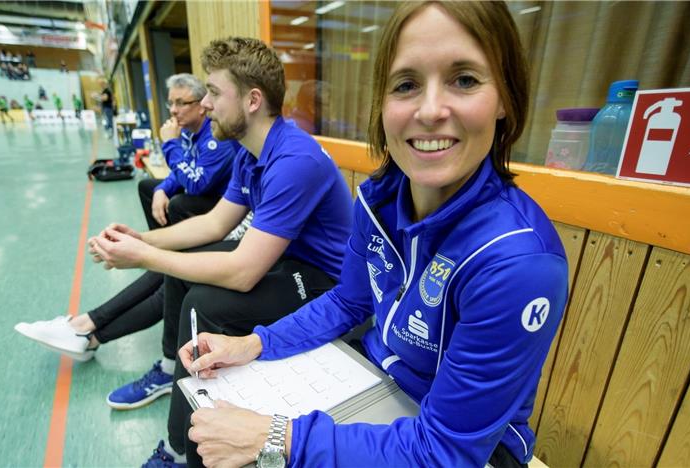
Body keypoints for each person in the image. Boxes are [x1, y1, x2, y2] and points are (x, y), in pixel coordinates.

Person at [178, 3, 569, 468]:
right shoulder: (378, 199)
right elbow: (348, 302)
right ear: (382, 106)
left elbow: (444, 451)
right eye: (406, 85)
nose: (430, 111)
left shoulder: (519, 263)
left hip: (458, 446)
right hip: (370, 379)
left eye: (464, 79)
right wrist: (255, 343)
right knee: (212, 425)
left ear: (505, 98)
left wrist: (277, 436)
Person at [15, 36, 354, 465]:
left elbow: (243, 272)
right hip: (288, 260)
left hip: (325, 283)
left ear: (252, 100)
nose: (205, 103)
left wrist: (142, 256)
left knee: (204, 300)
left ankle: (181, 452)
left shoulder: (294, 159)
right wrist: (142, 239)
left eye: (213, 92)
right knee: (184, 270)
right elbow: (213, 223)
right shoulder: (253, 153)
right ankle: (167, 370)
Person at [138, 73, 238, 230]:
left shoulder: (216, 138)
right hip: (200, 187)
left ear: (200, 107)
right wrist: (161, 190)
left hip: (222, 202)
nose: (173, 110)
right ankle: (162, 244)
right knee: (147, 187)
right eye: (170, 103)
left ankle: (181, 251)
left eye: (180, 103)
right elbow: (184, 167)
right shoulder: (186, 130)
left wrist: (171, 144)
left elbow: (196, 184)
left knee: (179, 203)